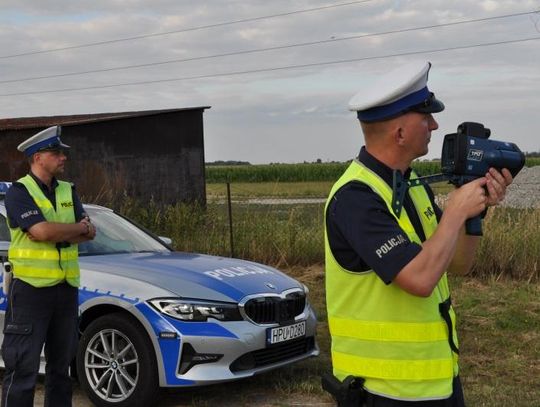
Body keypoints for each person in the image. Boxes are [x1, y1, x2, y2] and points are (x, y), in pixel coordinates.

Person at [324, 61, 512, 406]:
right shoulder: (355, 197)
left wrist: (476, 209)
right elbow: (420, 280)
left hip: (437, 381)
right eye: (426, 117)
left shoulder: (411, 186)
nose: (435, 124)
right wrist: (455, 210)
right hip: (385, 391)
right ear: (399, 133)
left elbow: (457, 264)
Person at [1, 125, 96, 407]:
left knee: (61, 369)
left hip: (65, 291)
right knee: (23, 369)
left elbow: (90, 232)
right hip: (31, 291)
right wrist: (73, 229)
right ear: (37, 157)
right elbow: (41, 233)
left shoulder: (69, 190)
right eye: (56, 153)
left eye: (62, 153)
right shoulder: (20, 191)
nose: (63, 157)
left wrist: (59, 230)